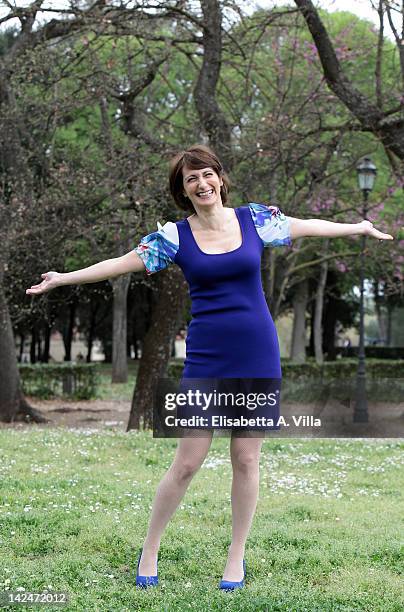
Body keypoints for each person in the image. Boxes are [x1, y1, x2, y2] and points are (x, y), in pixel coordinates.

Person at [26, 144, 393, 591]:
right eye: (190, 180)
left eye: (206, 175)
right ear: (184, 191)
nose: (201, 185)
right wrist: (63, 278)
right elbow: (118, 264)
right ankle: (150, 549)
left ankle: (236, 558)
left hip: (258, 351)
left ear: (219, 177)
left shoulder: (255, 219)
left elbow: (307, 226)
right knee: (187, 461)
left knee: (246, 457)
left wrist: (357, 226)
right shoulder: (175, 237)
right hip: (206, 357)